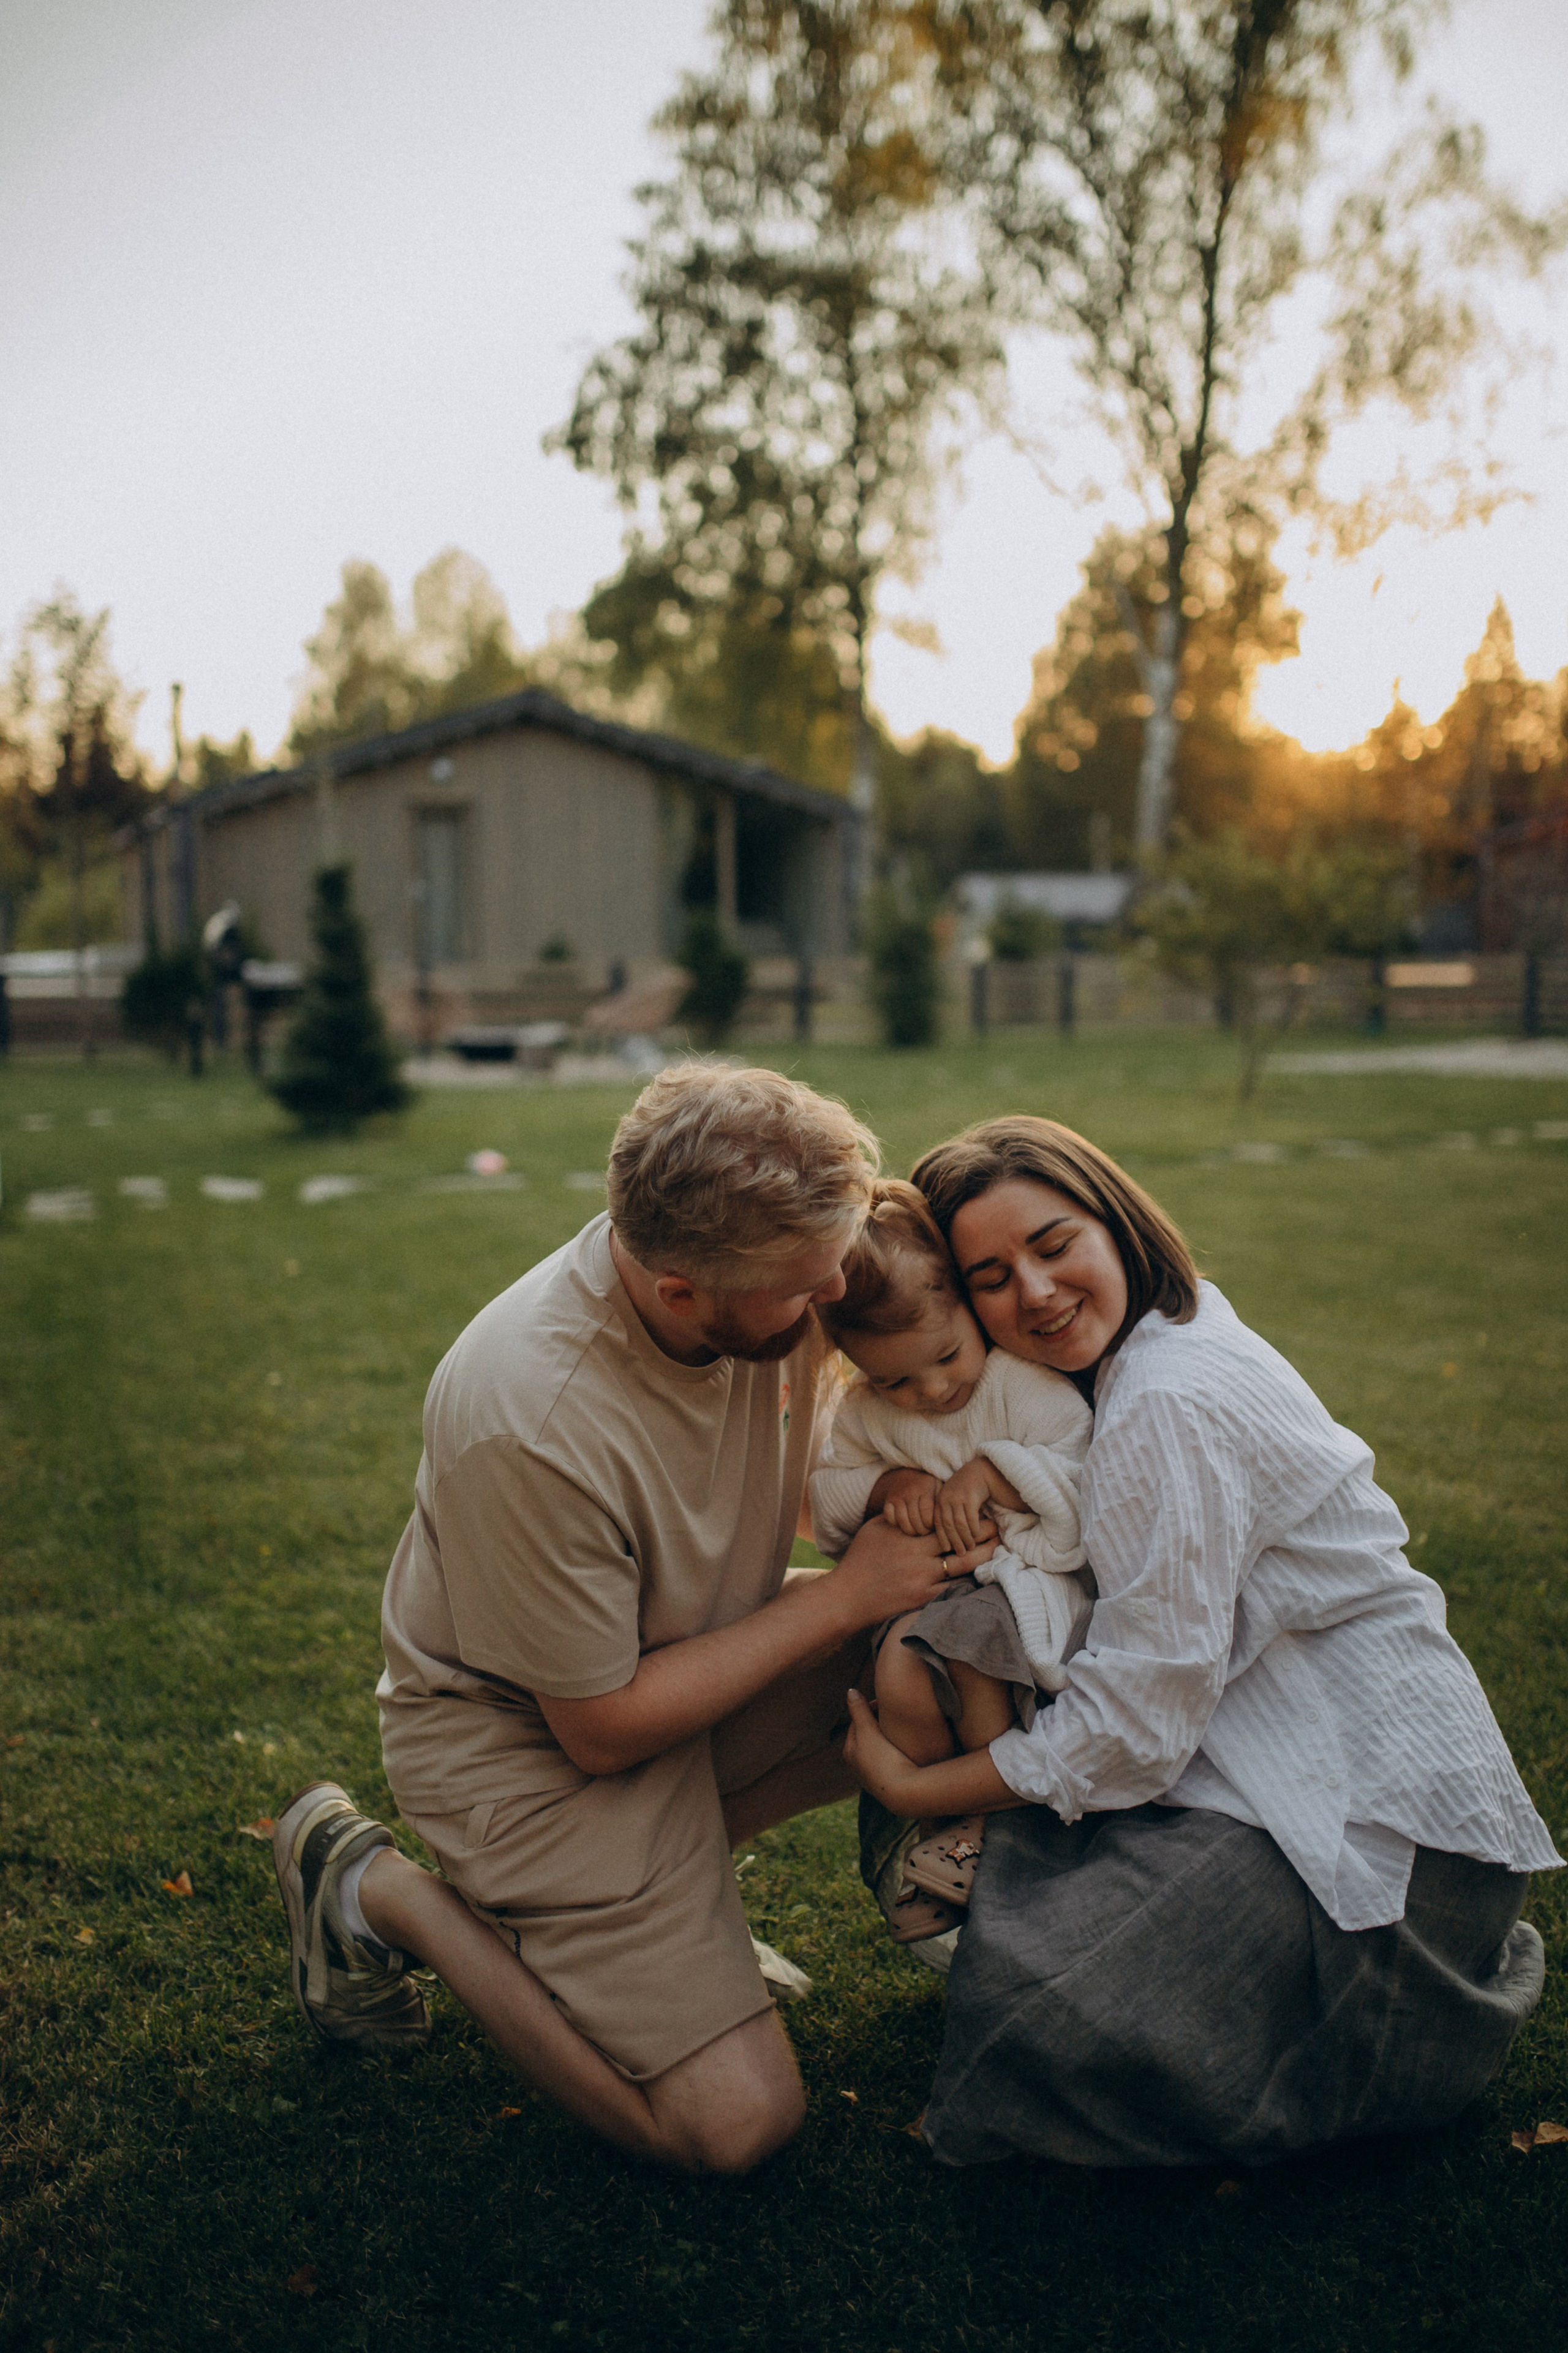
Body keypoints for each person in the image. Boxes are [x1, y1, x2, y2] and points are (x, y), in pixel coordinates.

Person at [271, 1065, 984, 2177]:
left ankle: (660, 1915)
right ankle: (380, 1890)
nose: (835, 1296)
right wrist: (849, 1595)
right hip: (526, 1752)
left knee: (937, 1645)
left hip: (671, 1665)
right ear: (679, 1292)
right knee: (734, 2126)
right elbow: (598, 1729)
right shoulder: (530, 1417)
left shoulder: (769, 1266)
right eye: (806, 1288)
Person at [845, 1115, 1560, 2169]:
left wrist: (922, 1790)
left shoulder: (1167, 1400)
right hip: (1272, 1766)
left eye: (1054, 1245)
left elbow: (1135, 1731)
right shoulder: (1143, 1352)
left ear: (1116, 1219)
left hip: (1379, 1838)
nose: (1035, 1293)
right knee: (962, 1697)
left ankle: (1384, 2025)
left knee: (1042, 2020)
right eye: (991, 1276)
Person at [807, 1179, 1093, 1940]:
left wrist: (998, 1473)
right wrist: (885, 1486)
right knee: (899, 1672)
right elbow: (827, 1495)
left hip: (1022, 1586)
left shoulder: (1019, 1385)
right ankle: (953, 1816)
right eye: (895, 1378)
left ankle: (977, 1822)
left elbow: (1085, 1467)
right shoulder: (867, 1412)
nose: (931, 1390)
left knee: (965, 1660)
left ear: (967, 1307)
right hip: (935, 1595)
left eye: (944, 1355)